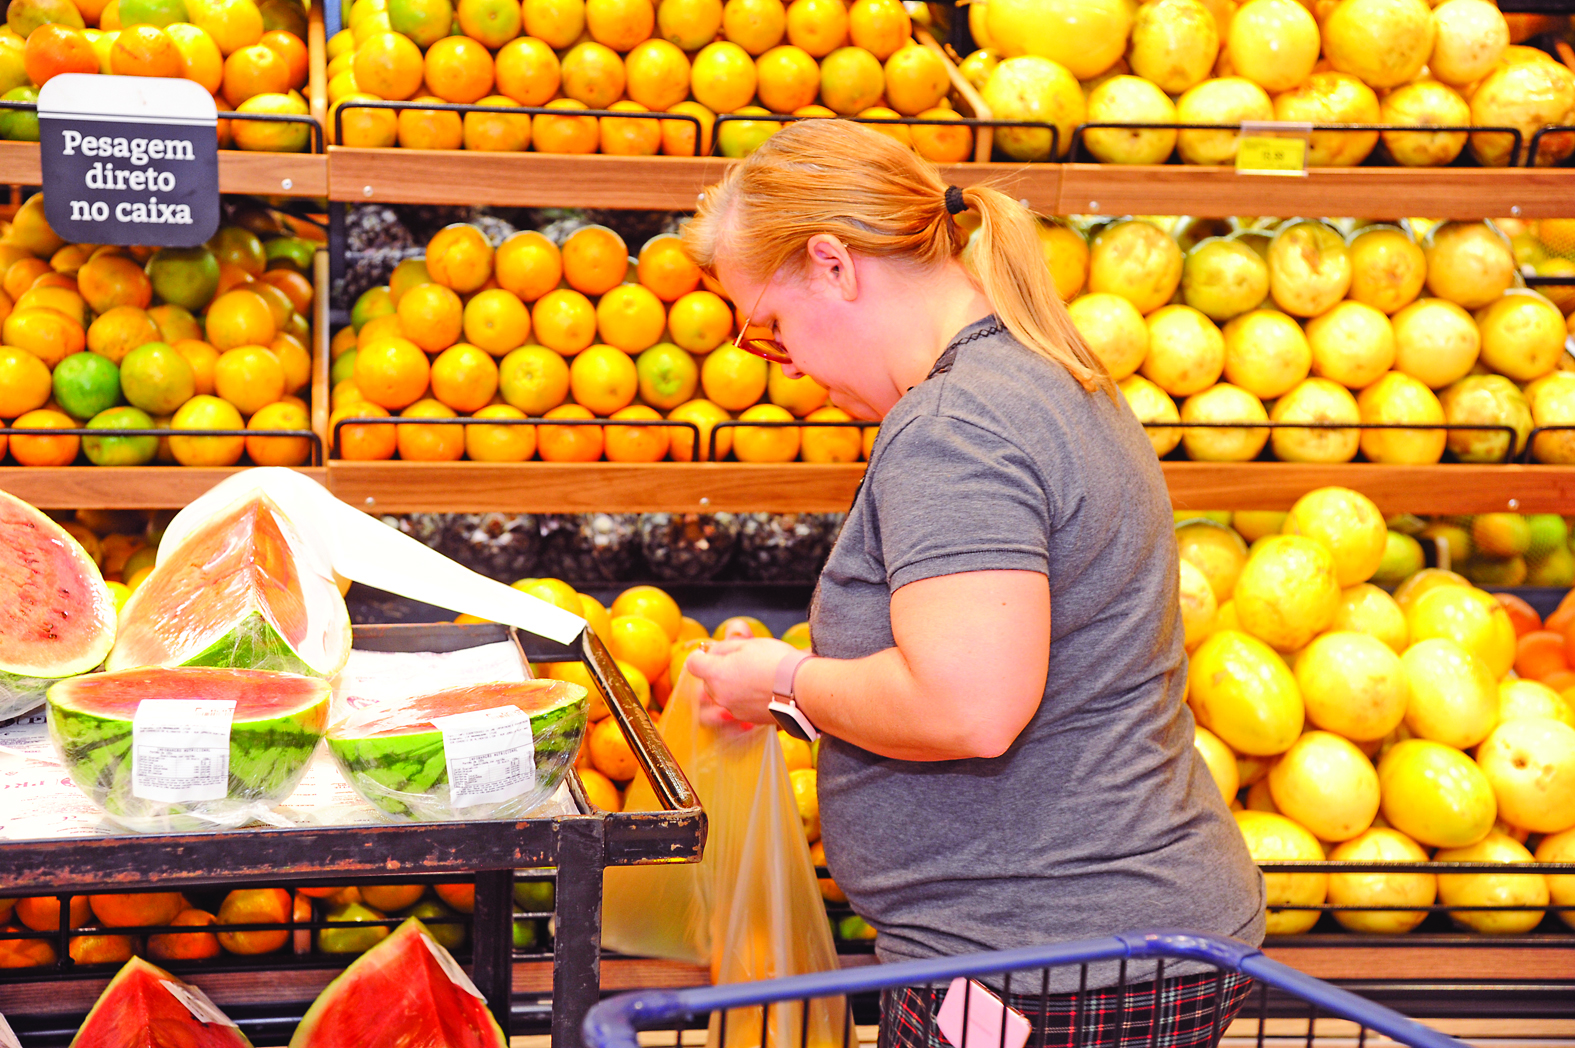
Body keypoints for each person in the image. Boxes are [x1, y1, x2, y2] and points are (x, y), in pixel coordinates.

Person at [682, 119, 1267, 1048]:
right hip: (1096, 936)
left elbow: (968, 709)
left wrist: (786, 683)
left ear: (833, 264)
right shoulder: (1044, 372)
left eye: (774, 328)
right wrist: (800, 699)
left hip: (1041, 964)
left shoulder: (955, 426)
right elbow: (1022, 663)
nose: (785, 368)